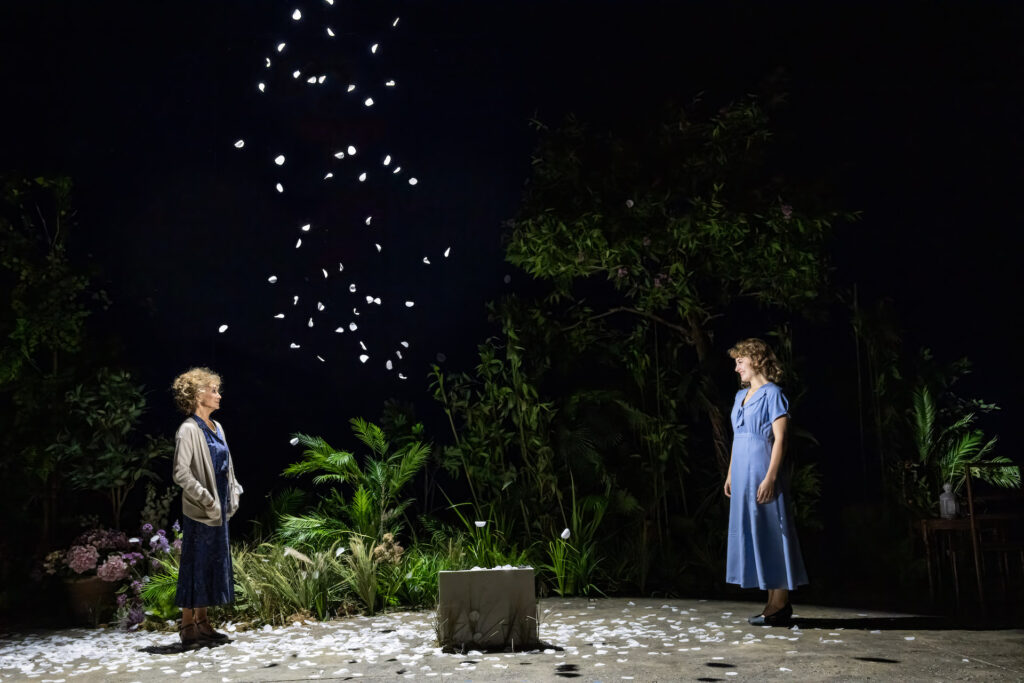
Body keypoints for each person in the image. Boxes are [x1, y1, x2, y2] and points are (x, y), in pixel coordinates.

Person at [723, 338, 808, 626]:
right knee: (755, 531)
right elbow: (737, 437)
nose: (737, 368)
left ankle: (780, 602)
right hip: (742, 471)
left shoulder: (773, 394)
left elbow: (780, 439)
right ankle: (772, 603)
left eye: (740, 361)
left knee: (773, 530)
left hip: (762, 468)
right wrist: (731, 473)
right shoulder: (740, 396)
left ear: (756, 360)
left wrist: (771, 476)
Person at [170, 367, 243, 646]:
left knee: (213, 563)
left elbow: (227, 465)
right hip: (202, 507)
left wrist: (234, 490)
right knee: (196, 563)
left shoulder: (217, 427)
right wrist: (206, 498)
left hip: (219, 507)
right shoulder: (188, 429)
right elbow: (181, 472)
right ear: (198, 395)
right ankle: (187, 623)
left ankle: (203, 621)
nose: (218, 395)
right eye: (213, 390)